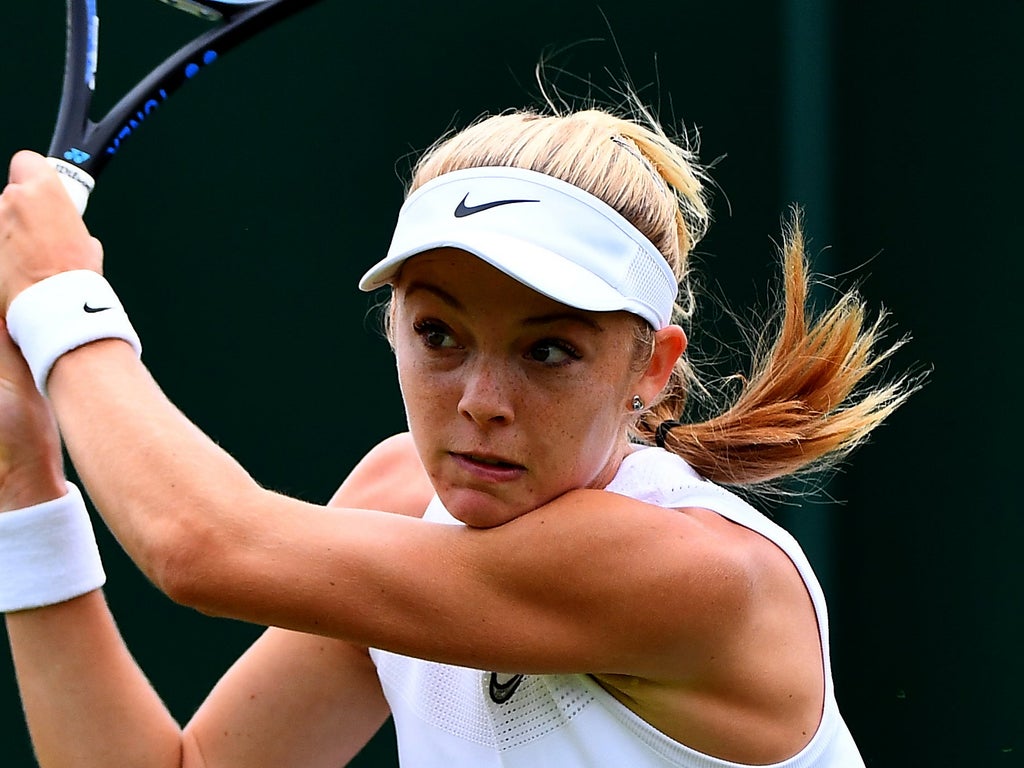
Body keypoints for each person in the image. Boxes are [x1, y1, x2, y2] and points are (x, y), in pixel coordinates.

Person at [0, 102, 914, 768]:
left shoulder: (689, 573)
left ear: (651, 368)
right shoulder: (396, 496)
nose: (482, 400)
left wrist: (61, 300)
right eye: (439, 333)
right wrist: (20, 477)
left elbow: (201, 547)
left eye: (548, 350)